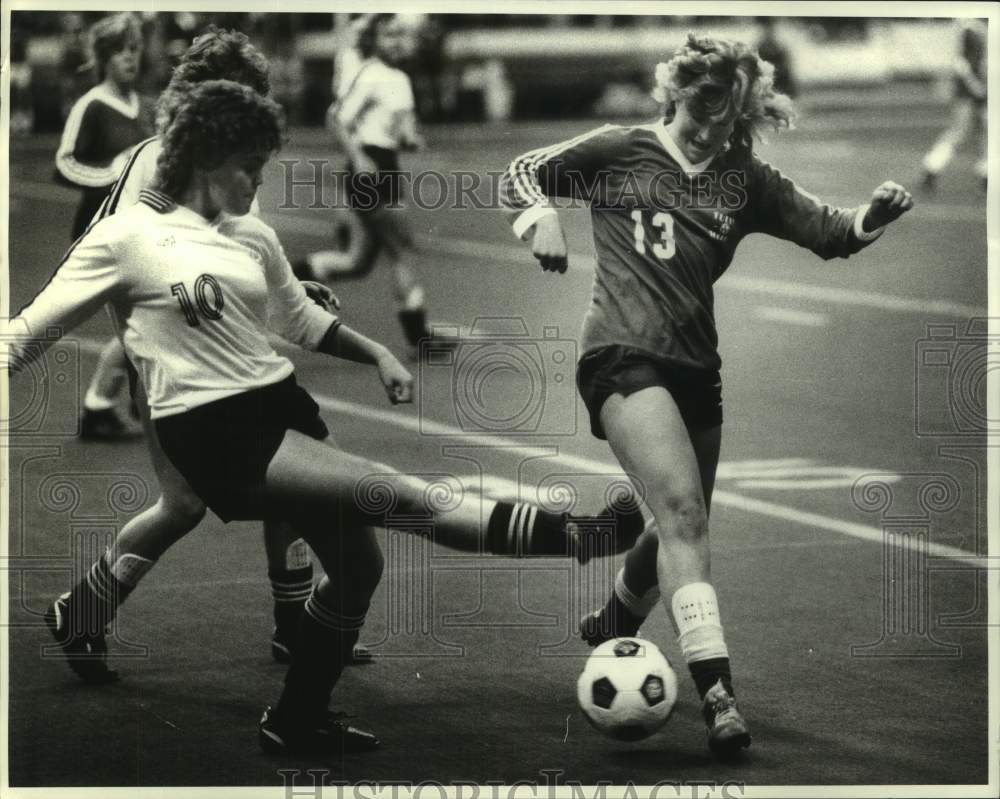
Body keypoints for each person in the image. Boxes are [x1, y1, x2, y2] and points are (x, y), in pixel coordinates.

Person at [7, 80, 645, 754]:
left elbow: (298, 317)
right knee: (395, 494)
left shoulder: (249, 233)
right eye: (248, 166)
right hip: (214, 432)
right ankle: (577, 536)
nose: (258, 181)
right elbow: (25, 333)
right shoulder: (127, 237)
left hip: (279, 405)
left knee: (358, 566)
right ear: (205, 157)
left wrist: (376, 353)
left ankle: (297, 717)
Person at [500, 32, 913, 756]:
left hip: (696, 369)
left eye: (727, 114)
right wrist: (541, 219)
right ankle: (718, 692)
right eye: (700, 107)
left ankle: (614, 622)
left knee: (670, 526)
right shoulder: (619, 149)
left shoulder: (742, 177)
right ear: (676, 92)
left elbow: (832, 232)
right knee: (686, 513)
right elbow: (523, 172)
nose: (710, 124)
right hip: (620, 356)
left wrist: (874, 215)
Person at [49, 27, 372, 676]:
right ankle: (85, 608)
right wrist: (148, 346)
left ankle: (287, 624)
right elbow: (110, 261)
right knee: (193, 501)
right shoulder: (161, 163)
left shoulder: (195, 157)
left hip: (200, 359)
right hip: (173, 364)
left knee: (283, 478)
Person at [294, 14, 447, 356]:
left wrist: (411, 139)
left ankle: (288, 277)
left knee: (358, 261)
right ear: (373, 41)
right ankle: (418, 336)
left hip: (385, 165)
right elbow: (335, 119)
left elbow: (401, 132)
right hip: (371, 170)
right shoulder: (372, 75)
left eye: (399, 35)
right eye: (387, 35)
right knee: (403, 250)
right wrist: (359, 157)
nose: (395, 41)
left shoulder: (400, 79)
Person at [54, 12, 155, 440]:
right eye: (118, 51)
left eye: (133, 49)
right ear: (102, 58)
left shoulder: (144, 107)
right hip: (101, 233)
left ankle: (105, 405)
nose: (129, 59)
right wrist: (112, 176)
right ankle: (110, 403)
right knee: (143, 325)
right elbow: (64, 163)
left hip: (141, 233)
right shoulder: (92, 105)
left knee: (146, 325)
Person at [919, 19, 987, 191]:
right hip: (970, 90)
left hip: (983, 87)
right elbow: (961, 63)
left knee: (988, 133)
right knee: (959, 131)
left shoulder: (980, 27)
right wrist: (974, 85)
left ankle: (986, 173)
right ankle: (932, 167)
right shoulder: (970, 28)